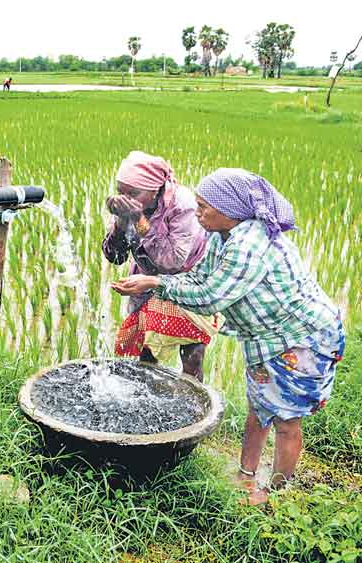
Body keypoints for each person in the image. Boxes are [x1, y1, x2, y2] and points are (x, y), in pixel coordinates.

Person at [111, 168, 345, 505]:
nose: (197, 212)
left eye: (204, 206)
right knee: (259, 407)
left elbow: (211, 298)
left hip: (301, 338)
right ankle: (247, 475)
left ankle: (277, 494)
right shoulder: (220, 237)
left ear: (231, 209)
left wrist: (156, 283)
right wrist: (152, 282)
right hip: (265, 339)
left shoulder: (252, 242)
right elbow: (197, 280)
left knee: (286, 419)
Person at [102, 151, 219, 381]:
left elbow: (172, 261)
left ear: (155, 189)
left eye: (133, 193)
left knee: (192, 355)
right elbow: (115, 256)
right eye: (121, 192)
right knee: (146, 350)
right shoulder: (129, 208)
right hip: (144, 282)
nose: (126, 198)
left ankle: (193, 405)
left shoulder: (182, 205)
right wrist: (120, 222)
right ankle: (146, 397)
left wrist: (139, 221)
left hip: (186, 283)